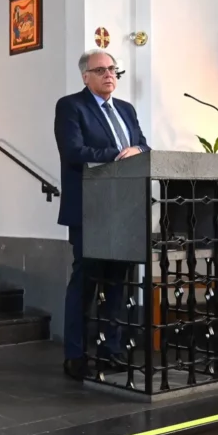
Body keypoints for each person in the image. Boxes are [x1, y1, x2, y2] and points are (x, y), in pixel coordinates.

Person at [54, 49, 150, 379]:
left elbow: (143, 147)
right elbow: (73, 151)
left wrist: (138, 151)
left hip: (125, 209)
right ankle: (75, 354)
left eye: (113, 70)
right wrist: (119, 156)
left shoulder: (126, 109)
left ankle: (112, 350)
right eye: (101, 70)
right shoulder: (71, 106)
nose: (110, 75)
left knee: (118, 283)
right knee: (85, 283)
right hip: (90, 209)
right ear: (86, 76)